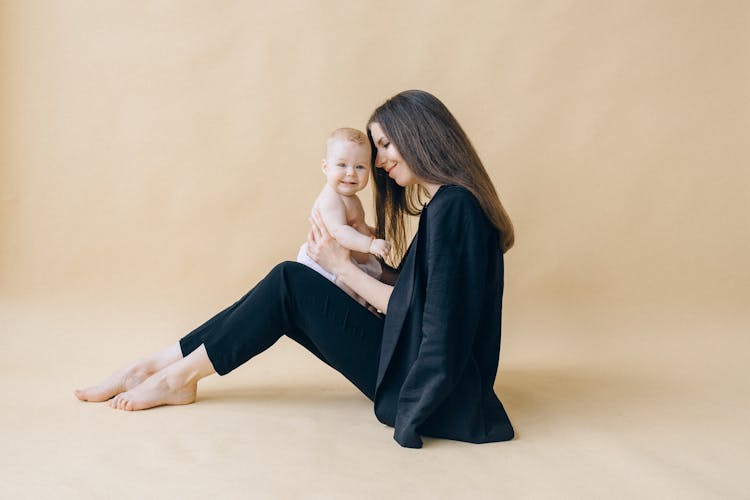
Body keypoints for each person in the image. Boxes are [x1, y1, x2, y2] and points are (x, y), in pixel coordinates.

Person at [74, 90, 516, 449]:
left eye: (385, 144)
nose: (378, 161)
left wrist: (342, 267)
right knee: (287, 286)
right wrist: (367, 269)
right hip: (422, 366)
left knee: (290, 280)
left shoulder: (454, 207)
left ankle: (175, 375)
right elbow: (426, 300)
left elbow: (426, 319)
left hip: (435, 389)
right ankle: (159, 365)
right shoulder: (452, 204)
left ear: (419, 135)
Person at [296, 127, 390, 314]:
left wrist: (369, 230)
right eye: (342, 165)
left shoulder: (349, 197)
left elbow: (353, 225)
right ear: (325, 167)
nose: (351, 173)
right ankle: (364, 311)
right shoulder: (331, 199)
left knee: (363, 286)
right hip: (326, 267)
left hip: (346, 260)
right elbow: (340, 231)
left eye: (360, 167)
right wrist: (369, 244)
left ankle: (368, 308)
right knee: (347, 294)